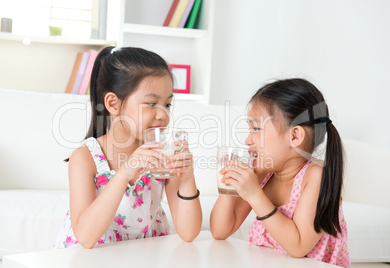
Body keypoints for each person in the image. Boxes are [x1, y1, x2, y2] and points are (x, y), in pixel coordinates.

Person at [54, 46, 202, 249]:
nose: (163, 115)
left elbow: (188, 232)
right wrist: (124, 174)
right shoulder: (86, 158)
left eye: (167, 105)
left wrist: (187, 179)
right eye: (151, 104)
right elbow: (86, 238)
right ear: (113, 104)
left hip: (141, 256)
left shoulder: (163, 154)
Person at [210, 78, 350, 267]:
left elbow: (298, 247)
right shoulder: (262, 173)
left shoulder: (316, 176)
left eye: (256, 129)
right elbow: (220, 231)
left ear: (295, 136)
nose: (247, 140)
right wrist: (229, 186)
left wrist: (254, 195)